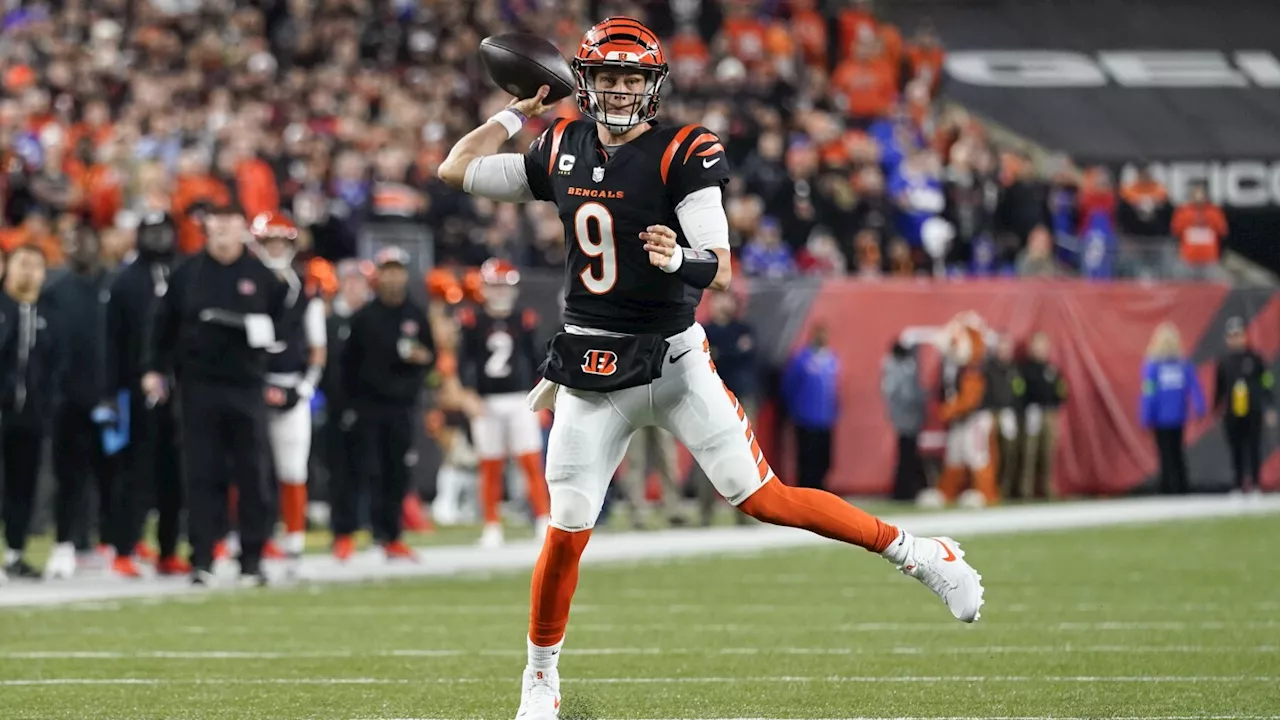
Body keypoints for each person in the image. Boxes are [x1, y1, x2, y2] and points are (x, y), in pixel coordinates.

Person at [437, 17, 984, 718]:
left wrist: (679, 259)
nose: (621, 89)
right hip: (591, 367)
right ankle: (540, 677)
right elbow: (455, 169)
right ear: (584, 83)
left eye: (633, 77)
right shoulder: (561, 146)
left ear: (654, 86)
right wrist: (518, 109)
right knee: (567, 526)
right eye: (608, 77)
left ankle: (920, 553)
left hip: (671, 360)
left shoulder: (683, 152)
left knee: (761, 497)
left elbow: (720, 269)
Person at [143, 198, 286, 586]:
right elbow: (163, 326)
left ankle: (252, 558)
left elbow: (282, 327)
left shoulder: (262, 275)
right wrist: (155, 369)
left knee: (253, 473)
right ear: (207, 228)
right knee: (201, 473)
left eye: (230, 222)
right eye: (216, 223)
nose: (223, 230)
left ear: (242, 227)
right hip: (199, 386)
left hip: (246, 385)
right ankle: (203, 556)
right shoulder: (187, 273)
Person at [102, 212, 188, 578]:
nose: (158, 238)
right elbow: (111, 342)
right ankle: (124, 548)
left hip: (182, 390)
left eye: (163, 231)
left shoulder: (185, 275)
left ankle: (168, 549)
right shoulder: (125, 282)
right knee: (136, 474)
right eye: (151, 232)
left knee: (176, 474)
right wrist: (112, 392)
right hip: (137, 391)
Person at [340, 246, 435, 561]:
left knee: (397, 472)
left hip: (402, 406)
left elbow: (430, 356)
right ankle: (350, 533)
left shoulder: (415, 314)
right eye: (387, 270)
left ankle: (391, 536)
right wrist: (347, 405)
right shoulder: (364, 317)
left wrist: (423, 360)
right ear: (377, 275)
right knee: (365, 471)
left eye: (397, 270)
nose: (393, 277)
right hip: (368, 406)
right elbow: (347, 364)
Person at [249, 211, 327, 570]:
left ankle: (293, 537)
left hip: (292, 384)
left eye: (282, 241)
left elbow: (317, 346)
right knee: (251, 468)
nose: (277, 247)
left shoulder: (306, 287)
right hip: (252, 385)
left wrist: (306, 387)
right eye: (271, 241)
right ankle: (251, 535)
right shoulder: (246, 284)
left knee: (293, 467)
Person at [455, 258, 550, 548]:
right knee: (490, 465)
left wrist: (540, 398)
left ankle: (543, 519)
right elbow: (464, 362)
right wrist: (467, 394)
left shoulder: (524, 319)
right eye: (493, 287)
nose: (498, 293)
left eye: (502, 287)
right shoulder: (473, 320)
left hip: (520, 398)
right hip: (485, 400)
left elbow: (538, 361)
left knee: (531, 462)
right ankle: (492, 525)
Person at [41, 227, 115, 579]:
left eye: (86, 239)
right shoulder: (55, 292)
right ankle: (66, 543)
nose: (80, 247)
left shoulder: (114, 287)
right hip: (68, 398)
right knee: (69, 475)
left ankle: (113, 544)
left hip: (111, 396)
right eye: (73, 242)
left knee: (114, 475)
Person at [0, 245, 61, 581]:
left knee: (22, 484)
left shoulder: (48, 312)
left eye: (36, 265)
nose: (28, 272)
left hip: (31, 413)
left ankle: (15, 553)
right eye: (22, 263)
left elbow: (56, 365)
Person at [694, 290, 757, 525]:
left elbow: (749, 357)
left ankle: (746, 513)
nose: (724, 303)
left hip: (742, 397)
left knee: (744, 454)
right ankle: (705, 513)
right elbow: (706, 359)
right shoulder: (703, 331)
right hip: (711, 398)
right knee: (706, 454)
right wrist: (734, 351)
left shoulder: (744, 328)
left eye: (728, 298)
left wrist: (722, 353)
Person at [323, 259, 371, 560]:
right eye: (349, 280)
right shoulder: (329, 321)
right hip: (335, 407)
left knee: (373, 471)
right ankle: (342, 533)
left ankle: (379, 532)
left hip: (371, 407)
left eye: (359, 280)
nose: (354, 286)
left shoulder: (373, 318)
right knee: (339, 473)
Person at [1140, 322, 1206, 494]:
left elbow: (1149, 394)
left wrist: (1146, 416)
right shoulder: (1183, 366)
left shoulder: (1153, 368)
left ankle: (1167, 487)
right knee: (1177, 451)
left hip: (1161, 418)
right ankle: (1181, 486)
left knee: (1165, 453)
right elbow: (1194, 389)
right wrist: (1199, 408)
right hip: (1178, 416)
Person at [1213, 317, 1275, 494]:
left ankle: (1255, 483)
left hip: (1253, 410)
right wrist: (1216, 410)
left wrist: (1269, 405)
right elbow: (1219, 388)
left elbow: (1266, 381)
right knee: (1236, 449)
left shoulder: (1255, 358)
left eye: (1238, 334)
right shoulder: (1223, 361)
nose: (1235, 339)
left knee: (1254, 447)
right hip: (1232, 412)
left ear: (1244, 336)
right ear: (1227, 338)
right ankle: (1237, 484)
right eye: (1232, 335)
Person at [782, 322, 840, 490]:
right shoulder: (802, 359)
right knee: (807, 459)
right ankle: (806, 491)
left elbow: (833, 388)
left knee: (825, 459)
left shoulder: (831, 358)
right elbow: (789, 385)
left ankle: (821, 489)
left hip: (826, 418)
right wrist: (794, 409)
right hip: (805, 418)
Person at [1019, 331, 1067, 499]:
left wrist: (1056, 405)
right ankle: (1025, 489)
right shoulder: (1024, 369)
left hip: (1048, 413)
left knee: (1048, 452)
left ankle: (1048, 487)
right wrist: (1026, 408)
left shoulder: (1052, 369)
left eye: (1043, 345)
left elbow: (1061, 390)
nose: (1040, 349)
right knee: (1029, 451)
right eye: (1037, 345)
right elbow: (1019, 391)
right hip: (1032, 413)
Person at [882, 338, 926, 501]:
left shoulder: (893, 367)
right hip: (907, 418)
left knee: (907, 454)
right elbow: (906, 394)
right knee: (907, 454)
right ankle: (904, 491)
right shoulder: (898, 367)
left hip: (906, 418)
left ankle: (906, 489)